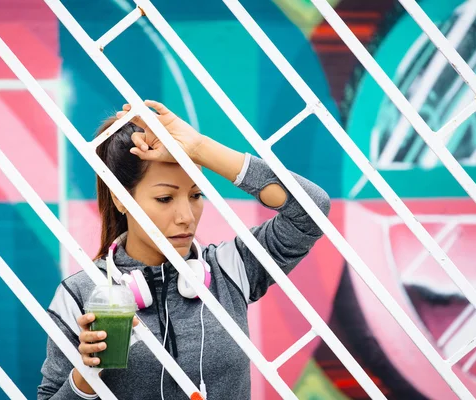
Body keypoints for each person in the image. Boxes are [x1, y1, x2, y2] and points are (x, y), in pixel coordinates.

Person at [37, 100, 330, 399]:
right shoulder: (81, 293)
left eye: (195, 195)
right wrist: (86, 376)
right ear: (121, 199)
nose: (186, 217)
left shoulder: (230, 269)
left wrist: (200, 148)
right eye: (165, 198)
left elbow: (312, 210)